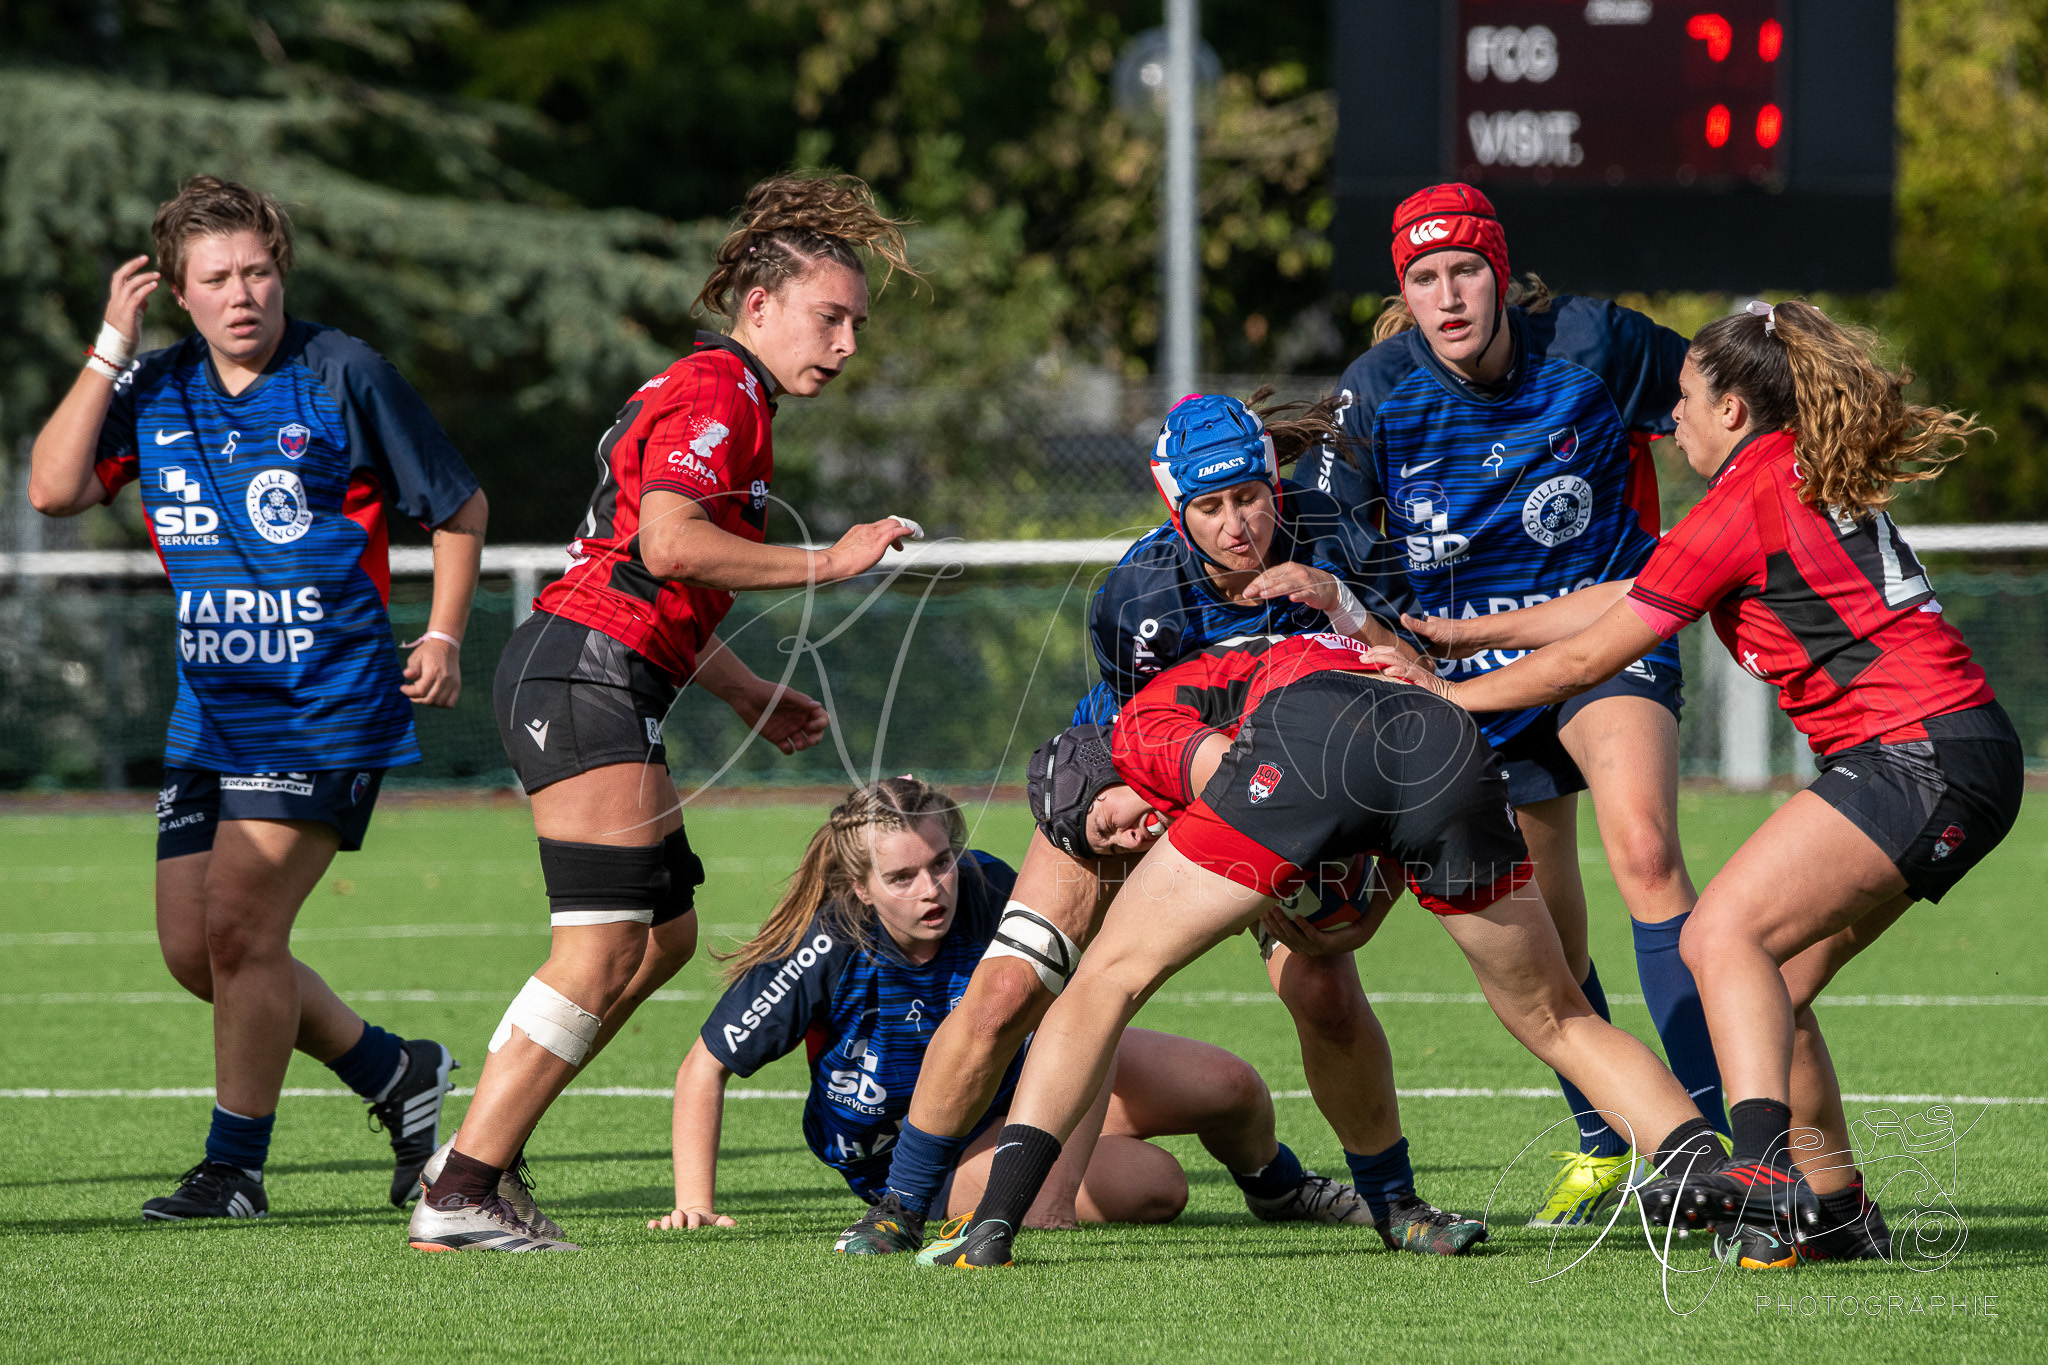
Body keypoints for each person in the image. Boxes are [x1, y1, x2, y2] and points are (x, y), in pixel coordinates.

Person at [1366, 299, 2021, 1268]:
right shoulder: (1782, 474)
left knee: (1720, 935)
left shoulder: (1750, 495)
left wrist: (1446, 698)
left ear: (1733, 411)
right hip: (1956, 752)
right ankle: (1837, 1210)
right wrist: (1463, 637)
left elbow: (1586, 660)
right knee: (1773, 986)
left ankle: (1757, 1173)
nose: (1671, 416)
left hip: (1914, 754)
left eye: (1684, 398)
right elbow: (1623, 599)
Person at [408, 173, 927, 1253]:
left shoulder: (733, 396)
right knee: (602, 948)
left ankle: (479, 1149)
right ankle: (463, 1185)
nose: (843, 344)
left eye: (856, 326)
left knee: (661, 938)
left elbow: (651, 572)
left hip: (599, 667)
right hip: (583, 674)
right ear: (758, 306)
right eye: (828, 318)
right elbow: (668, 544)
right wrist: (830, 561)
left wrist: (740, 687)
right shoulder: (721, 391)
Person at [831, 395, 1482, 1258]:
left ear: (1274, 482)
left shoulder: (1338, 538)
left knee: (1325, 992)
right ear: (1176, 509)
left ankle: (1397, 1205)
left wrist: (1339, 603)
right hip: (1132, 781)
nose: (1236, 524)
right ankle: (900, 1206)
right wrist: (1131, 811)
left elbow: (1421, 686)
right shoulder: (1139, 595)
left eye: (1249, 497)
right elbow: (1144, 739)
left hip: (1284, 793)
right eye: (1209, 507)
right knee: (1008, 990)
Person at [919, 631, 1722, 1269]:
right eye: (1111, 846)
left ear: (1108, 771)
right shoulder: (1249, 668)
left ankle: (990, 1225)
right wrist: (1347, 905)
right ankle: (1725, 1182)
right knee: (1558, 1017)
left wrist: (1284, 891)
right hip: (1445, 739)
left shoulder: (1136, 732)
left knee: (1104, 979)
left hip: (1313, 737)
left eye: (1110, 822)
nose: (1131, 840)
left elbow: (1254, 781)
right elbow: (1366, 792)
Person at [27, 176, 487, 1220]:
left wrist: (444, 633)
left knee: (239, 929)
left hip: (325, 703)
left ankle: (233, 1169)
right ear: (178, 292)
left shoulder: (342, 373)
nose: (243, 294)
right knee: (198, 953)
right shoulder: (154, 388)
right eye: (217, 278)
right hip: (212, 713)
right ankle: (396, 1073)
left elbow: (459, 508)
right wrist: (109, 348)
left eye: (258, 271)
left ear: (282, 274)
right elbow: (53, 489)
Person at [1326, 181, 1723, 1224]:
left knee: (1645, 851)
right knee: (1550, 932)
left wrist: (1736, 532)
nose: (1448, 295)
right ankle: (1605, 1140)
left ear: (1499, 273)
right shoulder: (1374, 392)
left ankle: (1721, 1145)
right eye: (1424, 278)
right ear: (1404, 292)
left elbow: (1731, 406)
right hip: (1473, 681)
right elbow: (1339, 551)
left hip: (1603, 640)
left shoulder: (1595, 344)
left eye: (1465, 269)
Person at [648, 777, 1356, 1237]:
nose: (932, 888)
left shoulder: (987, 886)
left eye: (940, 862)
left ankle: (1279, 1190)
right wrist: (695, 1202)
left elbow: (1087, 984)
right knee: (1158, 1185)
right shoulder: (825, 946)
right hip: (921, 1158)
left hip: (1012, 1090)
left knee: (1232, 1089)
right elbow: (704, 1066)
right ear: (860, 889)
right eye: (901, 877)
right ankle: (1028, 1200)